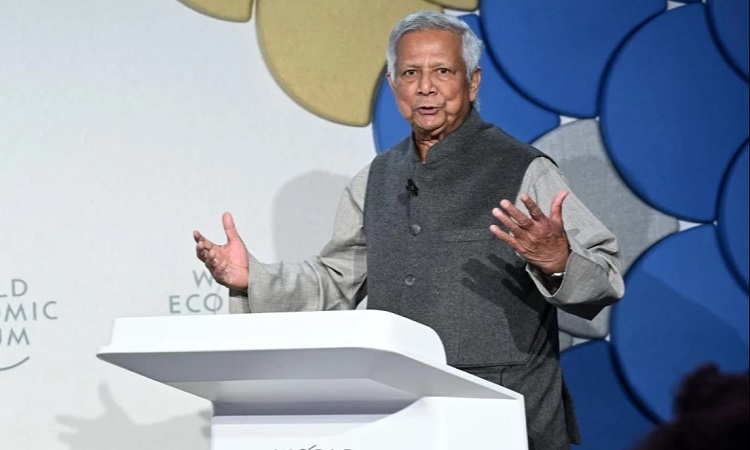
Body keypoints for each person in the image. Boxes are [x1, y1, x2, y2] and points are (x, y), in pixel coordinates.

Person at [194, 10, 624, 450]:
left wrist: (558, 260)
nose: (425, 87)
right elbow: (337, 280)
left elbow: (605, 275)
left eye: (442, 71)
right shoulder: (374, 178)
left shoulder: (524, 170)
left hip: (507, 418)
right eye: (410, 73)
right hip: (400, 417)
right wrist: (252, 278)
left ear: (473, 82)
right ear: (394, 85)